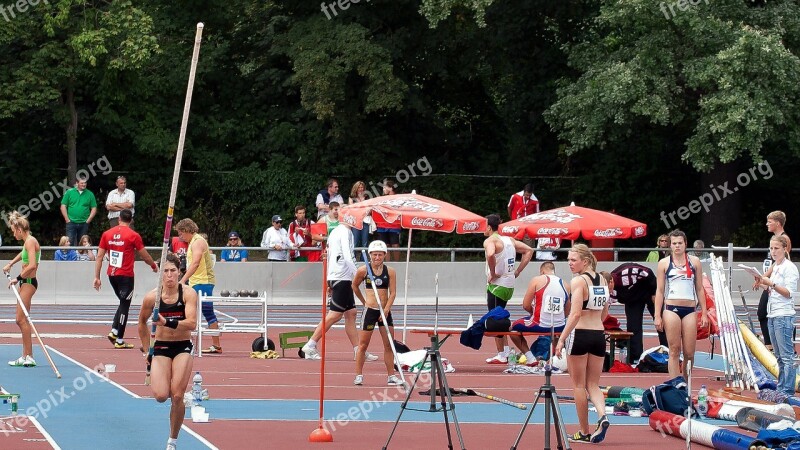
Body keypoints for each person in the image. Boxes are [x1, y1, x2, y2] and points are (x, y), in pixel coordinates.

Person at [137, 253, 198, 450]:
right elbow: (141, 323)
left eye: (173, 271)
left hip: (182, 346)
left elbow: (192, 324)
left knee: (177, 395)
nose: (170, 275)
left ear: (179, 272)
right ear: (160, 274)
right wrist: (147, 349)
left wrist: (166, 322)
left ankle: (172, 441)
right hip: (161, 347)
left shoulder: (188, 294)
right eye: (166, 271)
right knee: (161, 395)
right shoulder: (151, 298)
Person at [554, 244, 611, 444]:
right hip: (598, 334)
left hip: (579, 334)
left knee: (578, 385)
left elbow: (575, 313)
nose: (569, 263)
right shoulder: (603, 279)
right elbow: (605, 311)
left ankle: (584, 431)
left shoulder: (578, 281)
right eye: (568, 260)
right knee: (593, 384)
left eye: (573, 260)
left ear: (585, 261)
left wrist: (561, 339)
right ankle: (602, 415)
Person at [301, 220, 378, 362]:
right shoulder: (345, 232)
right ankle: (310, 345)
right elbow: (348, 257)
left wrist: (330, 279)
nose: (360, 223)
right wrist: (358, 274)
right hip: (342, 278)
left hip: (340, 277)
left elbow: (330, 255)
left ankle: (358, 350)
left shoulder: (335, 231)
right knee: (335, 315)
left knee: (351, 313)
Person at [94, 209, 158, 349]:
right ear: (131, 220)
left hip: (112, 275)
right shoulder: (133, 235)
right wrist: (153, 265)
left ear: (119, 219)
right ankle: (119, 339)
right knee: (125, 305)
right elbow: (144, 255)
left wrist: (97, 277)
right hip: (126, 276)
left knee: (123, 302)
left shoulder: (107, 234)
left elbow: (99, 257)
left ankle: (114, 331)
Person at [654, 230, 709, 379]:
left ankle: (686, 384)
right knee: (674, 350)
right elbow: (660, 290)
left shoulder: (694, 262)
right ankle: (674, 385)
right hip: (671, 308)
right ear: (670, 245)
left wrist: (704, 312)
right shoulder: (664, 263)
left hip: (690, 309)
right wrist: (657, 315)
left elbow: (699, 288)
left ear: (685, 244)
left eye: (680, 243)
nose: (677, 246)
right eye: (674, 243)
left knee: (689, 353)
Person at [483, 214, 533, 364]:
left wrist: (493, 273)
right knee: (500, 316)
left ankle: (502, 354)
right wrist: (517, 271)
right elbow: (529, 250)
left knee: (495, 319)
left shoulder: (490, 241)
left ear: (489, 227)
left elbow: (491, 253)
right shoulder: (509, 240)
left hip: (497, 285)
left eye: (484, 226)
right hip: (509, 285)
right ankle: (504, 351)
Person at [351, 240, 403, 386]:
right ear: (370, 255)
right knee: (363, 345)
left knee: (388, 344)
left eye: (380, 255)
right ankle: (359, 375)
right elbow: (354, 286)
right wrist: (363, 301)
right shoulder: (363, 270)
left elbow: (392, 293)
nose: (377, 257)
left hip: (385, 312)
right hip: (370, 311)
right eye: (374, 255)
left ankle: (391, 376)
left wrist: (386, 309)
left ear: (384, 255)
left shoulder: (390, 271)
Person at [754, 235, 798, 396]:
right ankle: (782, 388)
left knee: (787, 356)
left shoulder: (789, 267)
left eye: (776, 248)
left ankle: (787, 390)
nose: (773, 251)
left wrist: (771, 283)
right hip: (773, 314)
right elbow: (773, 291)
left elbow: (788, 293)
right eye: (771, 248)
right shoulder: (776, 267)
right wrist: (764, 284)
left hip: (784, 315)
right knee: (779, 356)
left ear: (785, 249)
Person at [508, 261, 570, 366]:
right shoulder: (566, 284)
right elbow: (568, 310)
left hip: (540, 324)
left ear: (542, 271)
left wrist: (534, 313)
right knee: (555, 333)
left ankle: (531, 358)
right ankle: (556, 358)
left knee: (512, 328)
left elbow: (526, 305)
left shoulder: (537, 280)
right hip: (560, 326)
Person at [176, 218, 222, 354]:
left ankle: (216, 345)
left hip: (203, 282)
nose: (180, 236)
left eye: (180, 233)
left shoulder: (198, 242)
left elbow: (195, 263)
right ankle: (186, 341)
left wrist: (183, 280)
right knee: (187, 310)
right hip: (197, 282)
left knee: (207, 311)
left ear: (186, 230)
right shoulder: (193, 242)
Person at [608, 263, 668, 363]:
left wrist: (654, 292)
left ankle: (668, 352)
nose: (608, 292)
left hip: (648, 291)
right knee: (633, 326)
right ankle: (636, 358)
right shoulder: (609, 292)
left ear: (611, 282)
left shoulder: (626, 273)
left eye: (608, 289)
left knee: (661, 322)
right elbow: (606, 306)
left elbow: (647, 272)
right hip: (632, 299)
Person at [3, 211, 41, 367]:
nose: (13, 234)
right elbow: (23, 253)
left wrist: (16, 278)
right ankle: (26, 355)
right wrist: (10, 264)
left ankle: (29, 356)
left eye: (13, 230)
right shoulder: (27, 242)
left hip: (28, 282)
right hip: (25, 282)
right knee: (23, 320)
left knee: (20, 319)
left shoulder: (30, 241)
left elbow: (32, 264)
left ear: (19, 229)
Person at [757, 211, 791, 351]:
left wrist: (764, 277)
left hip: (777, 282)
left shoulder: (784, 239)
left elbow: (779, 262)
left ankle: (773, 345)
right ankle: (770, 344)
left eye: (769, 221)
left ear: (777, 223)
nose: (767, 224)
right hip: (770, 280)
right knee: (764, 313)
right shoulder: (774, 238)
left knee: (767, 313)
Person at [60, 177, 98, 248]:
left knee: (83, 243)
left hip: (84, 223)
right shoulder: (69, 192)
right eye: (82, 183)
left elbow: (94, 208)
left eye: (85, 183)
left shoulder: (90, 194)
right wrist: (67, 219)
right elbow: (63, 206)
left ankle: (81, 259)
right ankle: (70, 258)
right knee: (69, 242)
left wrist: (88, 220)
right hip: (71, 222)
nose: (84, 184)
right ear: (77, 183)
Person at [374, 179, 401, 261]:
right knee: (385, 246)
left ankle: (398, 264)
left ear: (391, 188)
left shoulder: (398, 198)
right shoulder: (380, 199)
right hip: (382, 225)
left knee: (395, 245)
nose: (383, 189)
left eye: (384, 187)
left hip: (394, 225)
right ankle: (387, 265)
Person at [348, 181, 371, 249]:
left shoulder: (367, 197)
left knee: (365, 242)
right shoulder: (351, 197)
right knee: (355, 241)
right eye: (359, 187)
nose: (361, 189)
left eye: (362, 187)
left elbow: (370, 210)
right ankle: (353, 258)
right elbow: (351, 209)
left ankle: (363, 259)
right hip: (355, 221)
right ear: (356, 188)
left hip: (365, 221)